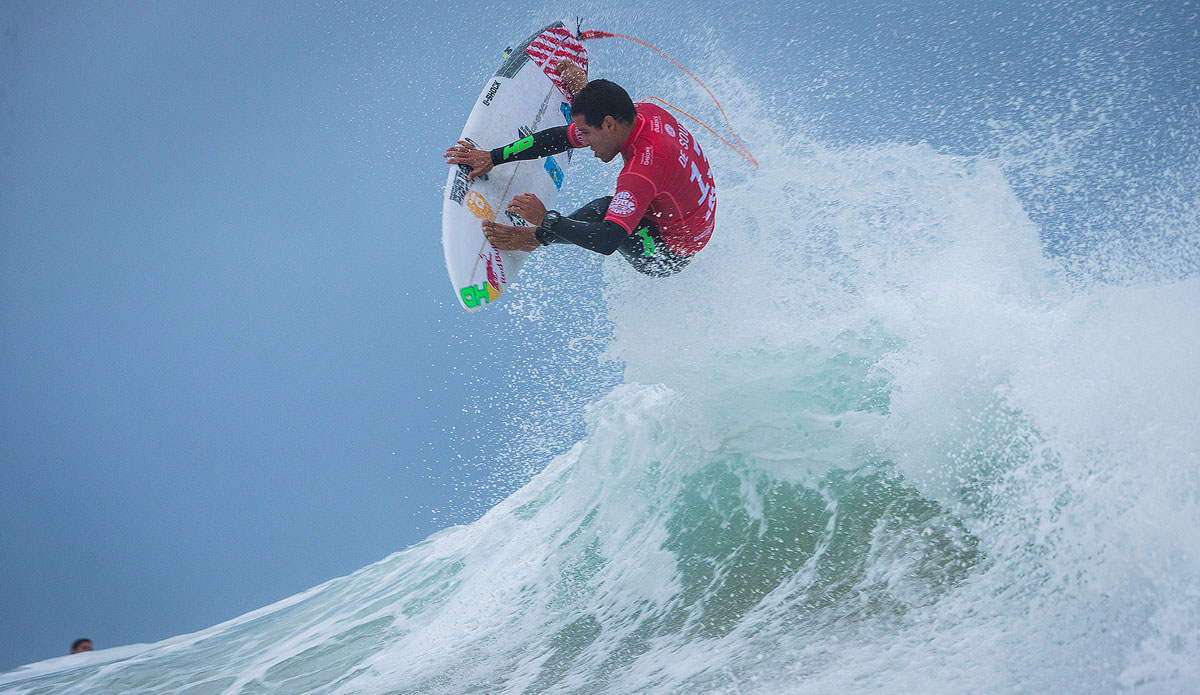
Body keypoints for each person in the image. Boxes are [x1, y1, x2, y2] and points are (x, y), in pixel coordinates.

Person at [444, 64, 716, 278]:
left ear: (608, 124)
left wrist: (546, 220)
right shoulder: (643, 113)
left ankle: (532, 239)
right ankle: (584, 93)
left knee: (605, 209)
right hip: (682, 213)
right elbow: (561, 138)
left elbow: (608, 240)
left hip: (666, 256)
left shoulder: (642, 170)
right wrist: (493, 157)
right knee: (614, 185)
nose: (583, 140)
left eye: (586, 131)